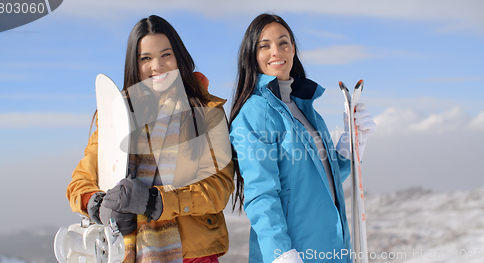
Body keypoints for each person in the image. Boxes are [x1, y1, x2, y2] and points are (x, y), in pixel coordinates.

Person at [66, 15, 234, 263]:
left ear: (179, 57)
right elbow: (80, 182)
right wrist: (100, 205)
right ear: (134, 63)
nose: (157, 66)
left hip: (192, 256)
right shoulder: (117, 116)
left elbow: (218, 188)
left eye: (166, 55)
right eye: (146, 58)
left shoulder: (206, 112)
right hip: (126, 252)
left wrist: (154, 202)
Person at [229, 14, 376, 263]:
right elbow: (261, 194)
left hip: (331, 247)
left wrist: (352, 144)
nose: (276, 51)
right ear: (252, 54)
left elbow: (318, 181)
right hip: (294, 252)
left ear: (293, 49)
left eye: (283, 43)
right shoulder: (255, 112)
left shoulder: (307, 110)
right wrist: (281, 254)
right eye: (265, 45)